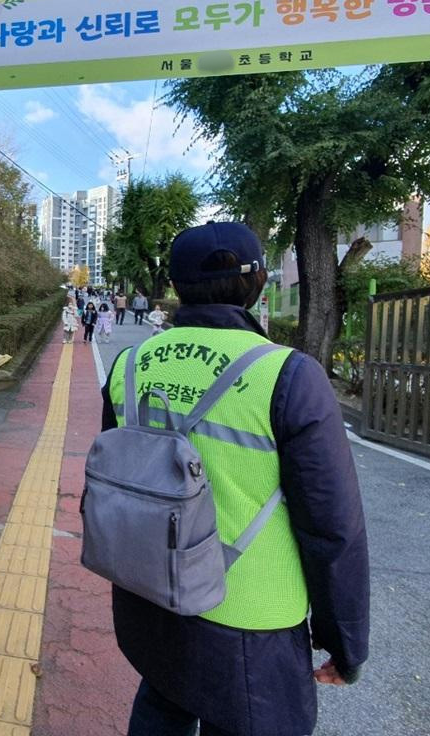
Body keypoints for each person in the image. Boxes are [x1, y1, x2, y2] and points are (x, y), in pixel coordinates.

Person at [101, 222, 369, 736]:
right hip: (251, 618)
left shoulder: (129, 364)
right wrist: (346, 640)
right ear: (258, 285)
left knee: (162, 704)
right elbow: (332, 527)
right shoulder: (289, 375)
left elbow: (118, 483)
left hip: (150, 595)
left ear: (175, 287)